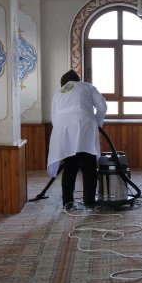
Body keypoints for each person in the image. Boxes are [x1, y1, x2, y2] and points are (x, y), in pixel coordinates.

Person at [47, 70, 107, 210]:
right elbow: (102, 106)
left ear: (64, 84)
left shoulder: (58, 93)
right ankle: (89, 203)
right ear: (77, 80)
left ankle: (67, 204)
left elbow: (54, 118)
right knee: (88, 167)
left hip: (63, 131)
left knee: (70, 167)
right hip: (84, 127)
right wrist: (97, 123)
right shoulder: (87, 86)